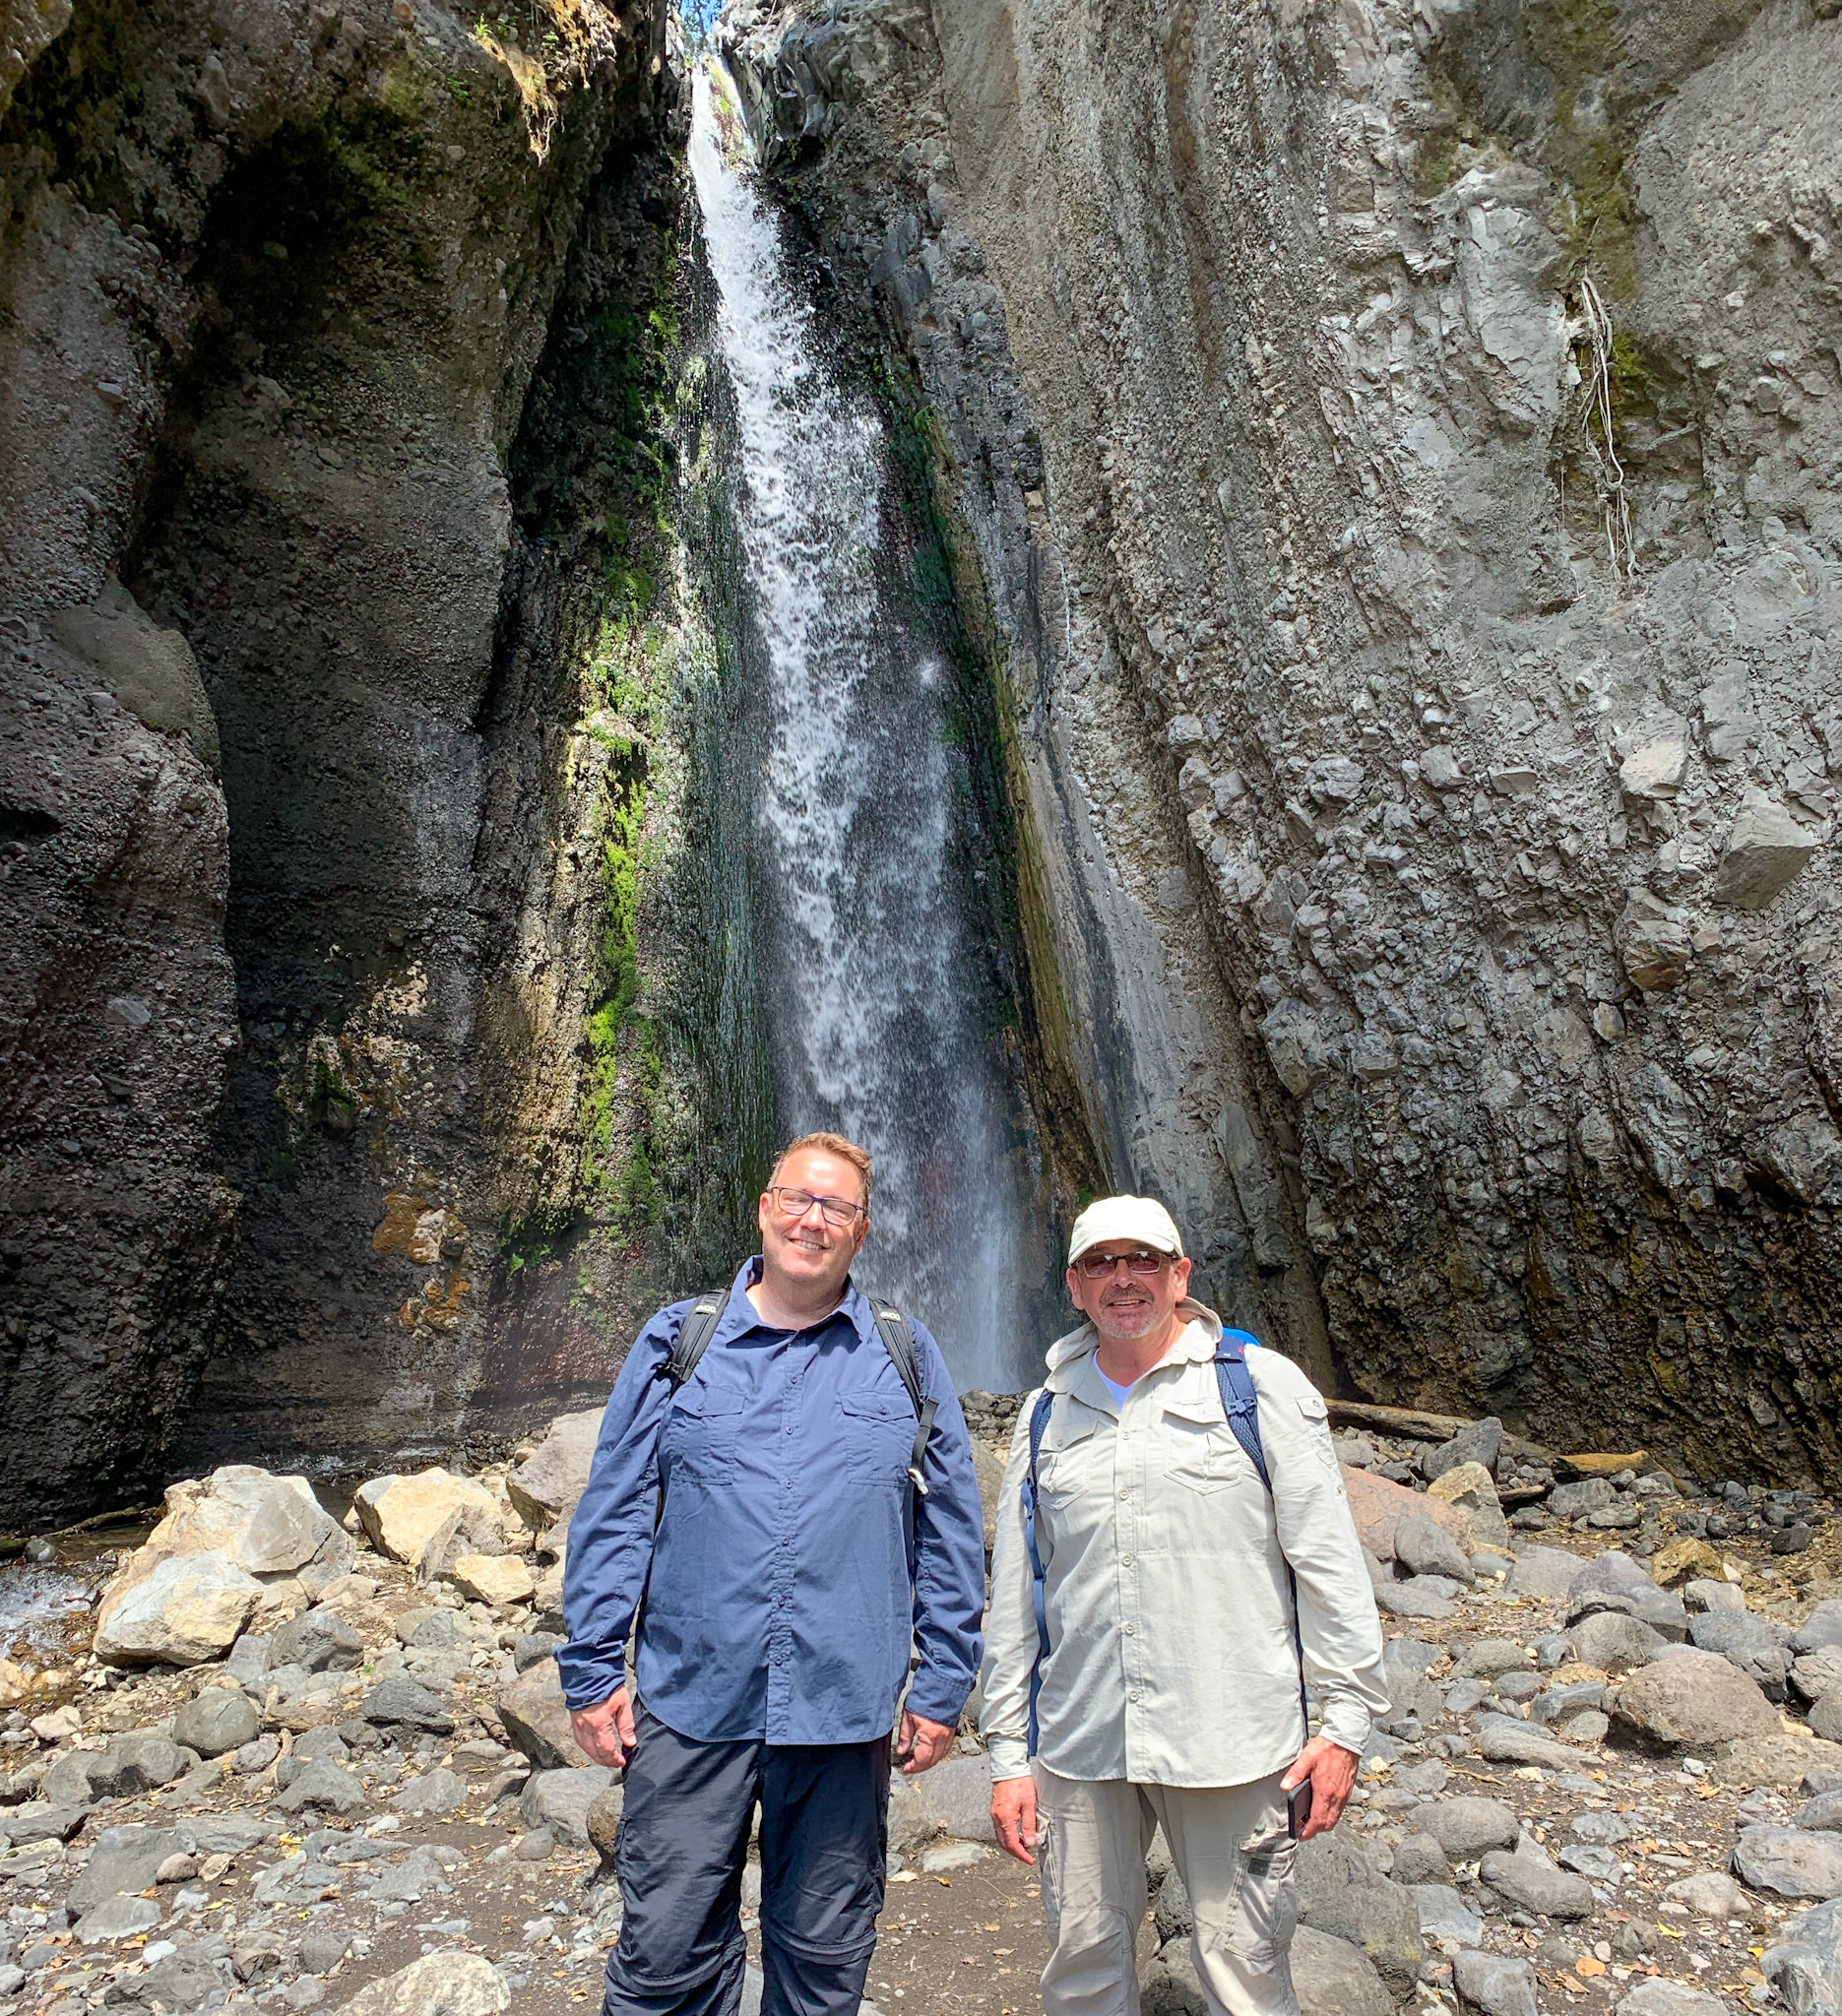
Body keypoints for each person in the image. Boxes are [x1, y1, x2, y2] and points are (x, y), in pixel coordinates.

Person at [558, 1130, 987, 2016]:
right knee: (663, 1953)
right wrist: (593, 1668)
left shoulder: (906, 1355)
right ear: (763, 1208)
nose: (812, 1219)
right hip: (692, 1700)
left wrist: (941, 1686)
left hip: (843, 1706)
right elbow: (616, 1507)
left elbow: (948, 1526)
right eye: (797, 1198)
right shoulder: (678, 1340)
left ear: (860, 1233)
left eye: (835, 1207)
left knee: (825, 1957)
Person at [982, 1195, 1388, 2016]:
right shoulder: (1046, 1411)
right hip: (1080, 1738)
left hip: (1232, 1740)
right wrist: (1004, 1755)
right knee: (1081, 1966)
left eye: (1143, 1261)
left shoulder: (1259, 1387)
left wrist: (1342, 1727)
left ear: (1179, 1276)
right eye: (1101, 1262)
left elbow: (1329, 1569)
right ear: (1072, 1285)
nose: (1122, 1279)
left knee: (1245, 1971)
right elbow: (1013, 1600)